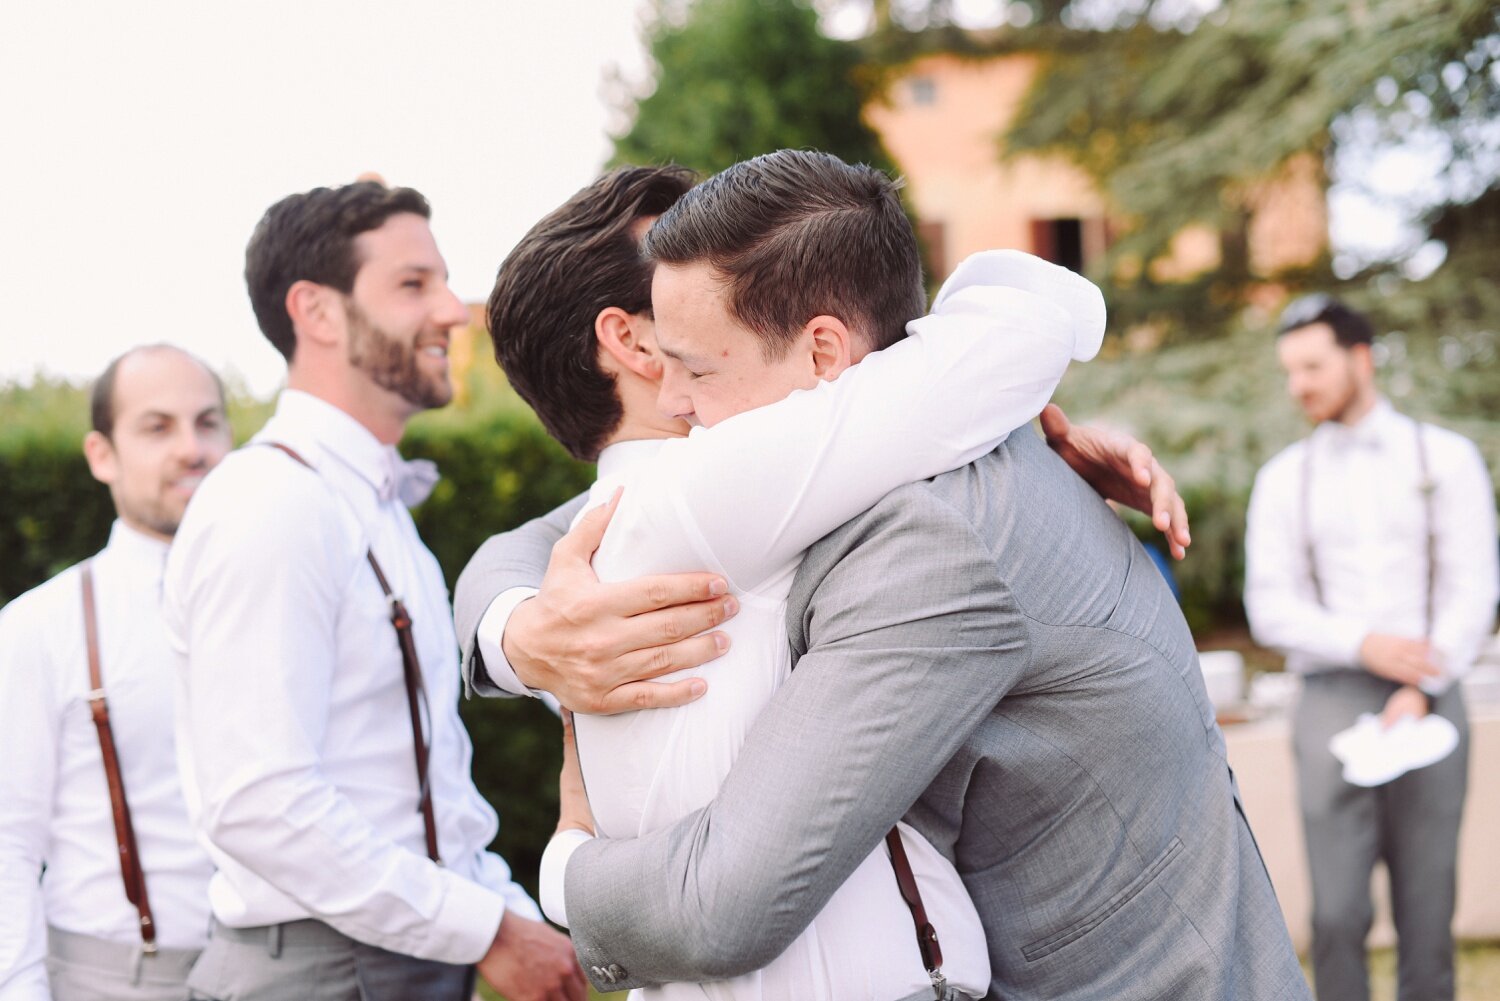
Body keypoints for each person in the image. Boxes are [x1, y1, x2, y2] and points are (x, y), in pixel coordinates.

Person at [456, 151, 1308, 1000]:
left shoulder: (923, 534)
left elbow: (722, 907)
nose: (681, 397)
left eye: (700, 360)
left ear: (820, 345)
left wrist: (567, 858)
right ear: (629, 341)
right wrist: (513, 633)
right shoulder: (876, 462)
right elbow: (570, 525)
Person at [161, 181, 585, 1001]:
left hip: (390, 957)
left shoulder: (375, 506)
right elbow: (258, 801)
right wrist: (488, 927)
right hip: (324, 971)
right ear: (317, 312)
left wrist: (501, 908)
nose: (455, 311)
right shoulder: (272, 503)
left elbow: (425, 784)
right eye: (412, 284)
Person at [1245, 295, 1499, 1001]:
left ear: (1361, 358)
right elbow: (1271, 606)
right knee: (1335, 912)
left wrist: (1423, 675)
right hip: (1329, 698)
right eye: (1290, 371)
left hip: (1432, 691)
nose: (1299, 384)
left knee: (1428, 909)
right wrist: (1366, 644)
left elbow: (1473, 588)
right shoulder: (1283, 479)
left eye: (1313, 366)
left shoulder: (1445, 458)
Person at [0, 345, 230, 1000]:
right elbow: (6, 842)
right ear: (101, 453)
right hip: (113, 981)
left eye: (208, 422)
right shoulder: (39, 626)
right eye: (157, 427)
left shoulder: (282, 601)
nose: (192, 447)